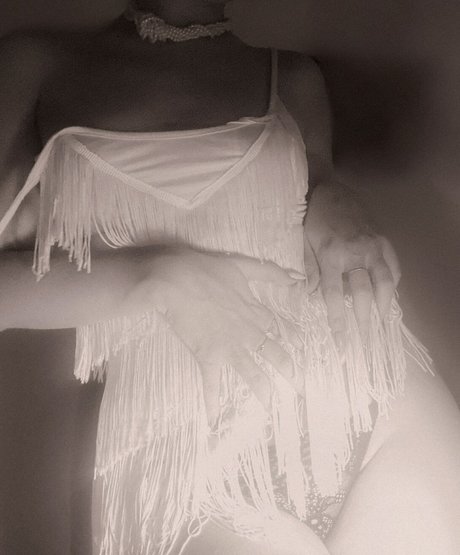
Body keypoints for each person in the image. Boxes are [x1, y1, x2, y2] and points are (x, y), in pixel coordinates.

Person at [0, 1, 459, 553]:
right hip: (179, 448)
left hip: (373, 383)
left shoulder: (294, 76)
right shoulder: (33, 64)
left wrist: (336, 200)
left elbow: (317, 184)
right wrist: (157, 277)